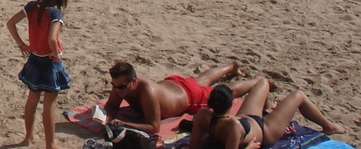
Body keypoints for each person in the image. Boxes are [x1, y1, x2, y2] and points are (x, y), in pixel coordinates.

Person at [104, 61, 257, 136]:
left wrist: (124, 124)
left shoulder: (147, 91)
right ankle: (231, 66)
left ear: (134, 81)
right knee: (201, 81)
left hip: (190, 97)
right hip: (172, 85)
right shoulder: (121, 84)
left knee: (224, 92)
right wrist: (106, 117)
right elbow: (111, 107)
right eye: (114, 86)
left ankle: (257, 82)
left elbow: (154, 127)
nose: (117, 90)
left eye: (121, 87)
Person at [6, 0, 70, 149]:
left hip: (34, 58)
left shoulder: (32, 7)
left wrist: (21, 44)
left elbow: (10, 23)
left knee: (32, 99)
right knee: (49, 104)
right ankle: (51, 144)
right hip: (49, 62)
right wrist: (56, 54)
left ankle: (28, 137)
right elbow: (51, 38)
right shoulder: (56, 13)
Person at [189, 80, 345, 149]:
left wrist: (210, 137)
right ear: (231, 104)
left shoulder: (203, 115)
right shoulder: (234, 127)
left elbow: (194, 146)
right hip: (265, 131)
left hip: (247, 119)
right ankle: (328, 126)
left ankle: (268, 109)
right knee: (298, 95)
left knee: (262, 83)